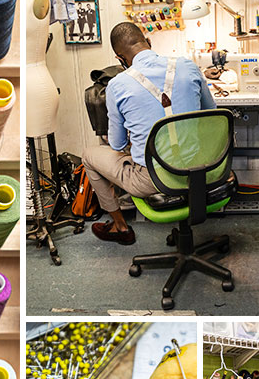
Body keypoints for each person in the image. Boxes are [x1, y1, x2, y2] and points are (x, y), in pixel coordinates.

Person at [81, 22, 215, 245]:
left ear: (121, 59)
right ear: (149, 43)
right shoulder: (188, 66)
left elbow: (116, 144)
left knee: (89, 155)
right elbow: (211, 113)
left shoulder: (117, 85)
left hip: (153, 179)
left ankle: (120, 226)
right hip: (200, 171)